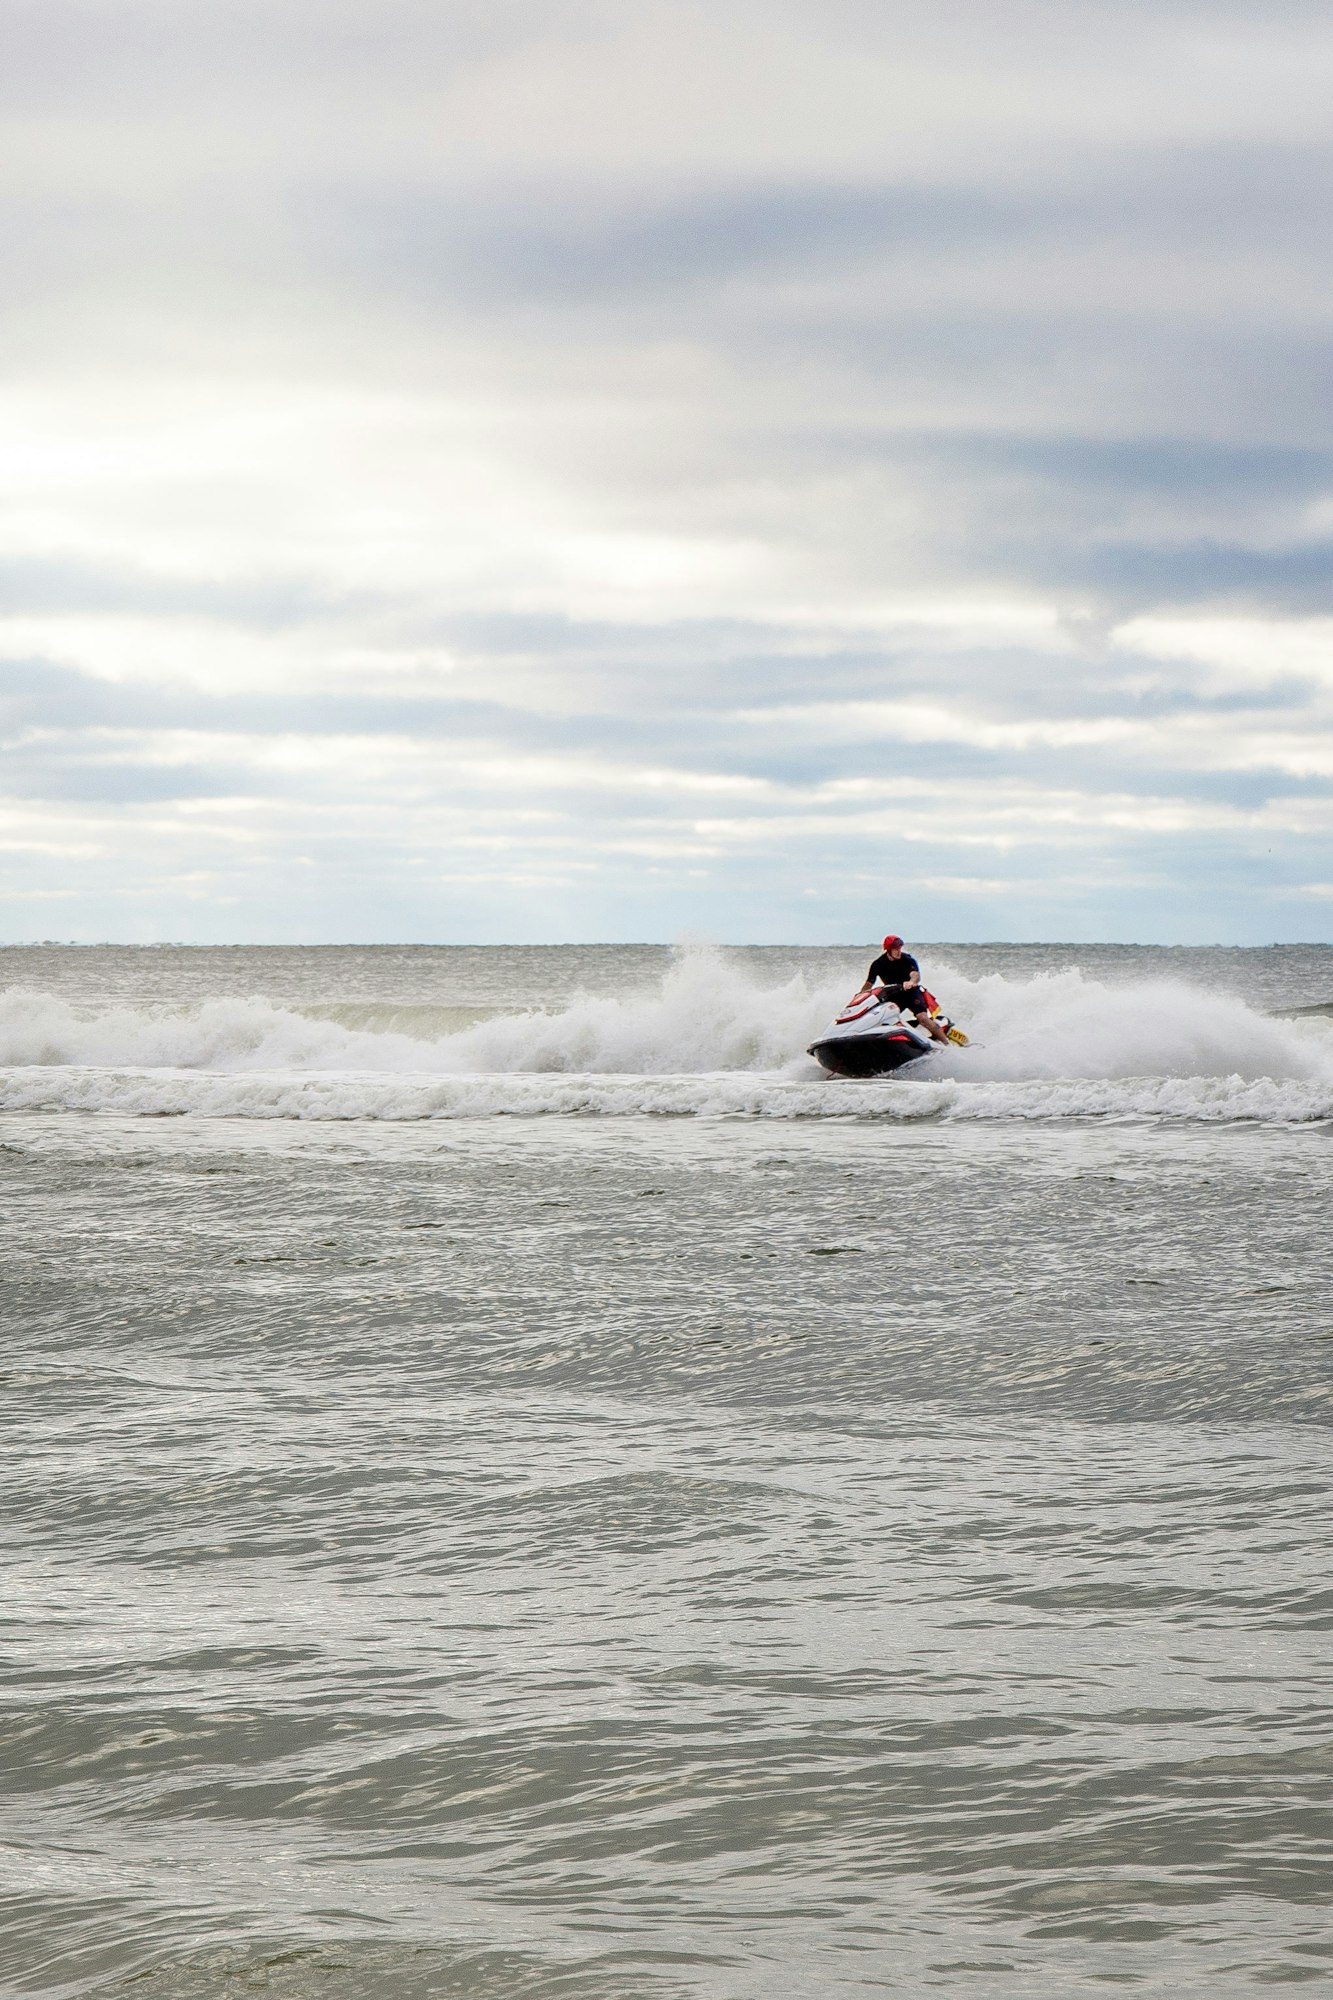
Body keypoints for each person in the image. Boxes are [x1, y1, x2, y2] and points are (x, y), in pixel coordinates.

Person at [855, 934, 949, 1043]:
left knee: (922, 1018)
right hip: (894, 997)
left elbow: (915, 975)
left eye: (900, 948)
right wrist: (860, 997)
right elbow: (869, 983)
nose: (899, 951)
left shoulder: (907, 959)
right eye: (896, 949)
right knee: (881, 1019)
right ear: (888, 950)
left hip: (911, 993)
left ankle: (946, 1044)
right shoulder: (878, 964)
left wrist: (911, 982)